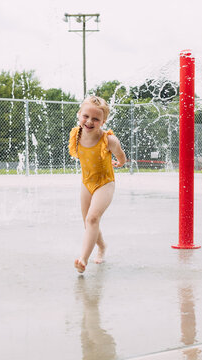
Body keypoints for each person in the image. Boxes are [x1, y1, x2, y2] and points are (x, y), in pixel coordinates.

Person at [68, 96, 126, 273]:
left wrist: (120, 162)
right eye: (86, 116)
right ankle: (101, 246)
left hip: (105, 183)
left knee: (93, 218)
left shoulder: (108, 140)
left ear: (103, 121)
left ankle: (83, 259)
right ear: (79, 115)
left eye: (96, 119)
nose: (89, 122)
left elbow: (121, 155)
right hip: (86, 183)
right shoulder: (76, 135)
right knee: (88, 222)